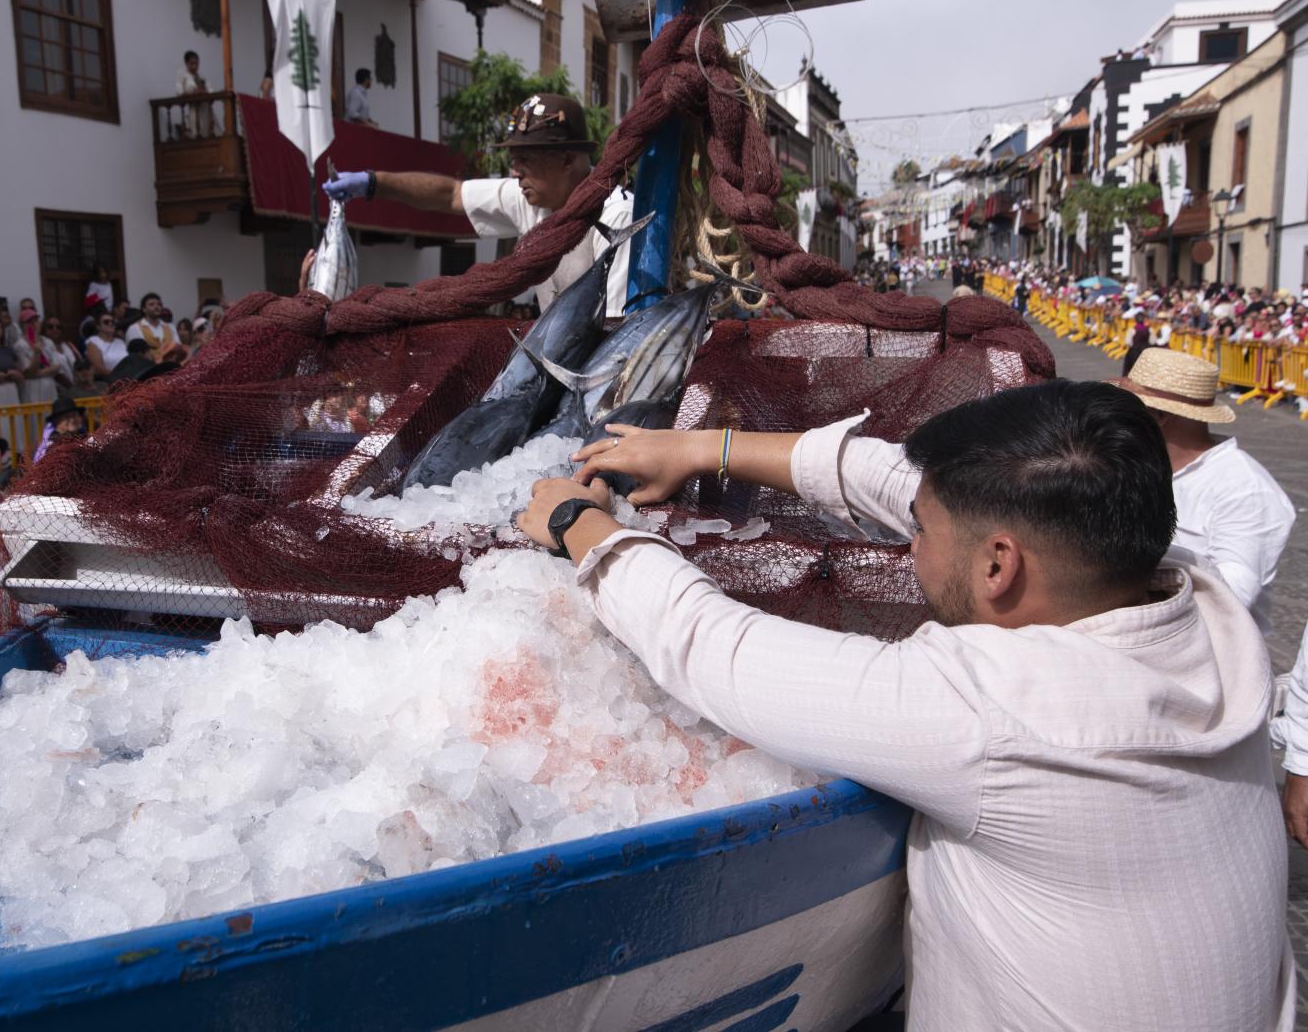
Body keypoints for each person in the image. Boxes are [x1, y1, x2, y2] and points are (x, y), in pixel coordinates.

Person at [517, 379, 1292, 1029]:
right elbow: (896, 478)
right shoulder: (1207, 604)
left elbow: (714, 648)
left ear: (998, 563)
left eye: (920, 531)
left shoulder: (999, 713)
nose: (908, 543)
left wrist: (575, 524)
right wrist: (700, 448)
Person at [323, 93, 633, 317]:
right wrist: (373, 183)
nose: (515, 172)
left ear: (567, 160)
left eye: (525, 160)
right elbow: (452, 194)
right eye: (514, 161)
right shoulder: (531, 197)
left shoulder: (617, 215)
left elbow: (620, 332)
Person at [1116, 349, 1293, 634]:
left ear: (1159, 416)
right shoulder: (1139, 465)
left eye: (1128, 411)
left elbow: (1232, 596)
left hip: (1209, 660)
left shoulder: (1244, 488)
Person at [126, 293, 185, 363]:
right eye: (152, 304)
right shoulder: (134, 328)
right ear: (144, 309)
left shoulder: (170, 327)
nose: (156, 307)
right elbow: (136, 355)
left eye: (159, 304)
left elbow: (178, 347)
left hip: (170, 368)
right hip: (148, 369)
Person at [32, 396, 87, 463]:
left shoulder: (84, 436)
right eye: (67, 417)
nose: (72, 420)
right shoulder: (52, 445)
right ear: (57, 422)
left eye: (74, 415)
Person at [177, 49, 211, 138]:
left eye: (196, 63)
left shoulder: (201, 76)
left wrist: (204, 91)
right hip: (193, 108)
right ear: (186, 63)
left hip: (205, 107)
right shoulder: (183, 76)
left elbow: (210, 90)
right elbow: (179, 92)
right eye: (192, 64)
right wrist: (193, 93)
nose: (194, 66)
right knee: (196, 132)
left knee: (207, 130)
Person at [85, 314, 129, 381]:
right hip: (108, 381)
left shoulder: (121, 342)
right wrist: (119, 376)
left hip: (128, 379)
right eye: (106, 322)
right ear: (98, 326)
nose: (110, 323)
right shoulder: (93, 341)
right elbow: (98, 368)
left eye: (113, 322)